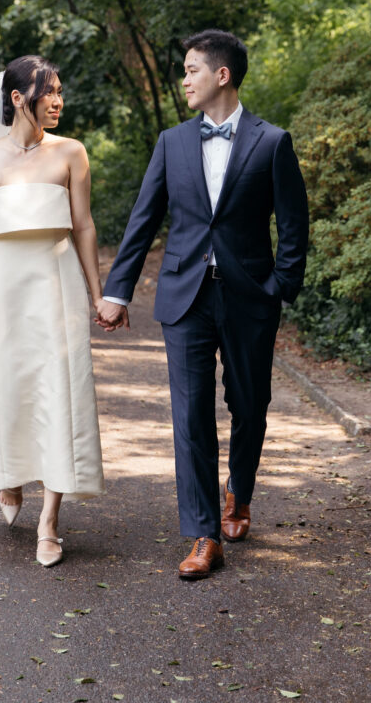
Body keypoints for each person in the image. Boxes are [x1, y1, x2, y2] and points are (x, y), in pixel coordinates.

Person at [100, 29, 309, 580]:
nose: (184, 79)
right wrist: (117, 290)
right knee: (190, 417)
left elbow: (294, 227)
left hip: (249, 298)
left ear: (222, 75)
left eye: (192, 69)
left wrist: (279, 288)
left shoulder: (272, 142)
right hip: (184, 296)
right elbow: (143, 220)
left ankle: (239, 489)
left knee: (249, 404)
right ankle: (203, 534)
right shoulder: (171, 142)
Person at [0, 56, 107, 568]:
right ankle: (9, 475)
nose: (58, 101)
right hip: (3, 289)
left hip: (56, 286)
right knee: (9, 387)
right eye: (48, 92)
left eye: (60, 91)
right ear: (18, 99)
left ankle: (51, 520)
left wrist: (98, 294)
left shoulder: (71, 154)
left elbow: (83, 226)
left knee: (61, 389)